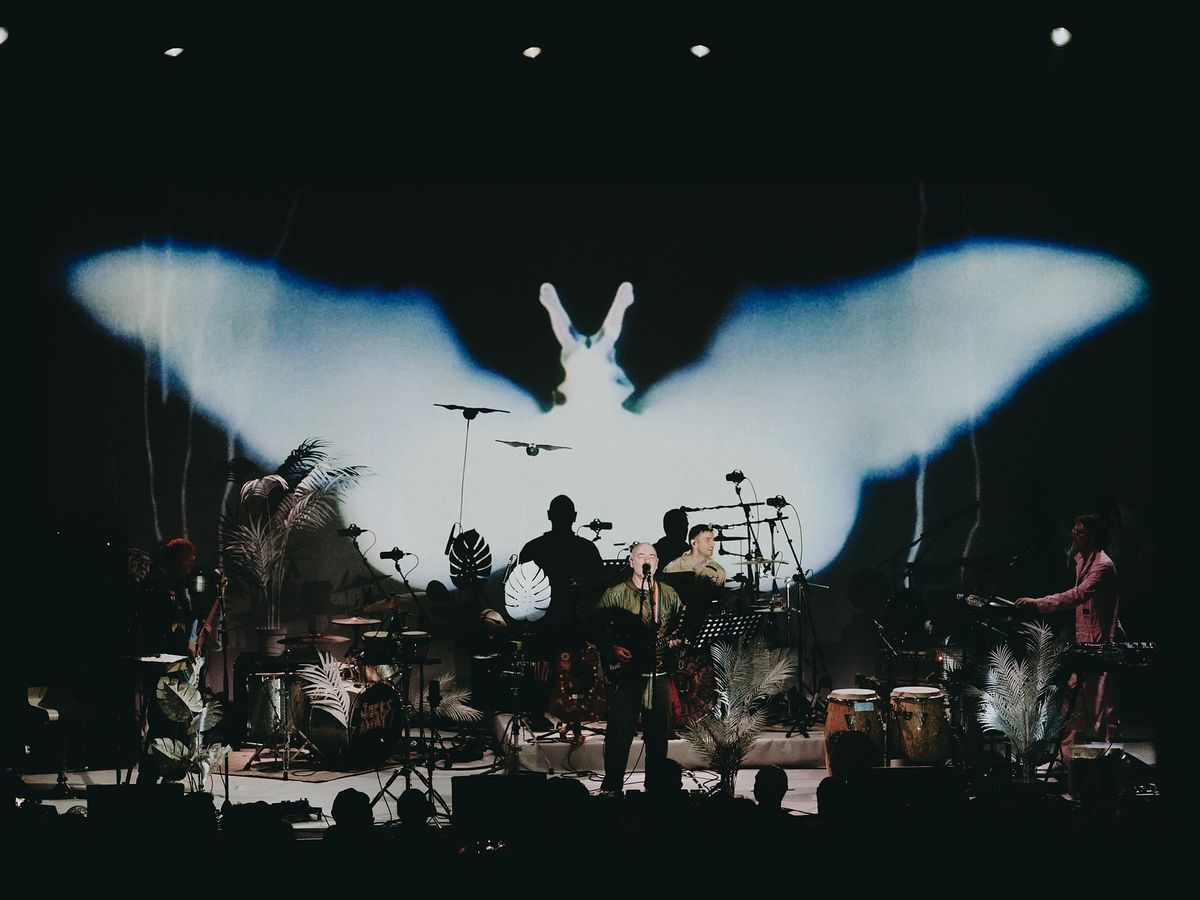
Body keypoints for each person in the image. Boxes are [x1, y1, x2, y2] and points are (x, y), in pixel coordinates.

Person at [1015, 513, 1121, 759]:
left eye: (1080, 532)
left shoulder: (1103, 566)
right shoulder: (1080, 560)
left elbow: (1076, 596)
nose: (1074, 535)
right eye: (1074, 530)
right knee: (1072, 703)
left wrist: (1037, 603)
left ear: (1094, 538)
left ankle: (1112, 762)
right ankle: (1067, 760)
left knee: (1103, 706)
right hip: (1085, 644)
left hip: (1103, 644)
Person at [590, 542, 682, 794]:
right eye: (641, 555)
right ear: (631, 561)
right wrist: (612, 648)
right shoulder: (617, 592)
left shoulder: (669, 594)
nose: (646, 560)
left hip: (659, 674)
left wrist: (677, 641)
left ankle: (655, 790)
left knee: (658, 738)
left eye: (651, 556)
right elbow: (594, 628)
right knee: (619, 735)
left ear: (657, 563)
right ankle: (612, 789)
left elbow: (678, 628)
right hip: (627, 675)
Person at [516, 495, 606, 730]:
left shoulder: (533, 548)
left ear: (549, 516)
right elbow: (598, 589)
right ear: (575, 517)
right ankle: (578, 717)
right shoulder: (587, 549)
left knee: (541, 671)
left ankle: (537, 716)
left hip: (544, 624)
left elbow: (523, 589)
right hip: (577, 625)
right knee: (577, 673)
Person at [135, 537, 201, 783]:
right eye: (187, 566)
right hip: (160, 669)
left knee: (173, 728)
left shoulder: (170, 588)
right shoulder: (153, 588)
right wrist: (184, 641)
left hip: (171, 668)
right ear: (175, 563)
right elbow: (158, 629)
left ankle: (167, 780)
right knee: (163, 728)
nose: (189, 572)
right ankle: (149, 781)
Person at [652, 507, 689, 573]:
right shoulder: (691, 553)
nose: (686, 529)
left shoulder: (653, 551)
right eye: (682, 525)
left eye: (686, 525)